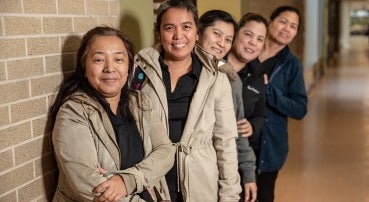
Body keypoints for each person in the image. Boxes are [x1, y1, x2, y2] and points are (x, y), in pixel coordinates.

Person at [132, 0, 242, 201]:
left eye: (186, 27)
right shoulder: (140, 71)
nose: (178, 36)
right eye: (169, 28)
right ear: (159, 32)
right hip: (151, 180)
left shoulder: (216, 78)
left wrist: (230, 196)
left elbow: (225, 142)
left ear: (197, 33)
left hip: (199, 183)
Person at [50, 26, 175, 202]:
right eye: (99, 60)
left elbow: (166, 151)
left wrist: (128, 181)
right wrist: (144, 175)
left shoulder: (139, 102)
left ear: (129, 66)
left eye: (118, 59)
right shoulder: (73, 113)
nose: (110, 68)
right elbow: (95, 189)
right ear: (84, 66)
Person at [197, 10, 268, 202]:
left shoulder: (240, 79)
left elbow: (246, 123)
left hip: (223, 162)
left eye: (260, 39)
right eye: (248, 34)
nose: (253, 42)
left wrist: (247, 172)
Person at [254, 6, 308, 202]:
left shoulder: (291, 64)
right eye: (283, 22)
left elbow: (300, 108)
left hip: (269, 145)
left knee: (264, 196)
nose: (287, 28)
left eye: (293, 26)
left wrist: (268, 90)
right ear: (270, 22)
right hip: (238, 140)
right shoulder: (248, 50)